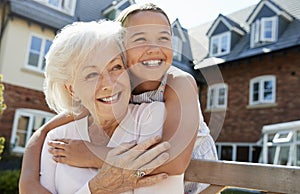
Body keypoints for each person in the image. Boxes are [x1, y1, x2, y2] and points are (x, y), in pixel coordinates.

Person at [20, 2, 216, 193]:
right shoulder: (119, 84)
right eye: (140, 39)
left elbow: (175, 162)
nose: (154, 48)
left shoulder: (178, 82)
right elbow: (44, 132)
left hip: (202, 180)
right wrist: (28, 179)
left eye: (164, 38)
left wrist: (92, 155)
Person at [40, 20, 184, 194]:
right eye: (91, 74)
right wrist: (96, 188)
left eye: (116, 67)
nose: (109, 84)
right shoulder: (57, 138)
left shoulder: (153, 116)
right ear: (72, 90)